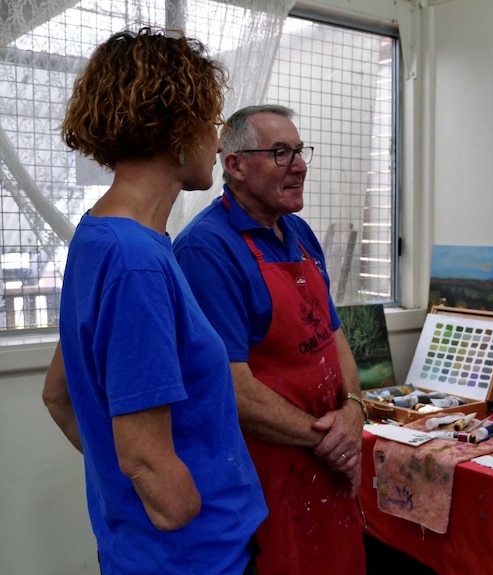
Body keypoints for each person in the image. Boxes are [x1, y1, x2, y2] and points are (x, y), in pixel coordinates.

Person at [41, 28, 267, 575]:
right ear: (175, 126)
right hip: (193, 557)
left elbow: (59, 395)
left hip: (140, 550)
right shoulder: (135, 262)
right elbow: (144, 456)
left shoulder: (98, 238)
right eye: (211, 125)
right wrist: (187, 508)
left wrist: (124, 493)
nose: (217, 143)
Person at [174, 104, 367, 575]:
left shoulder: (298, 232)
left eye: (300, 152)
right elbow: (230, 389)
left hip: (326, 470)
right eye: (280, 153)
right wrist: (330, 440)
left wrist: (355, 409)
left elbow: (332, 335)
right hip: (264, 481)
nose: (299, 166)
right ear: (234, 165)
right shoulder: (206, 250)